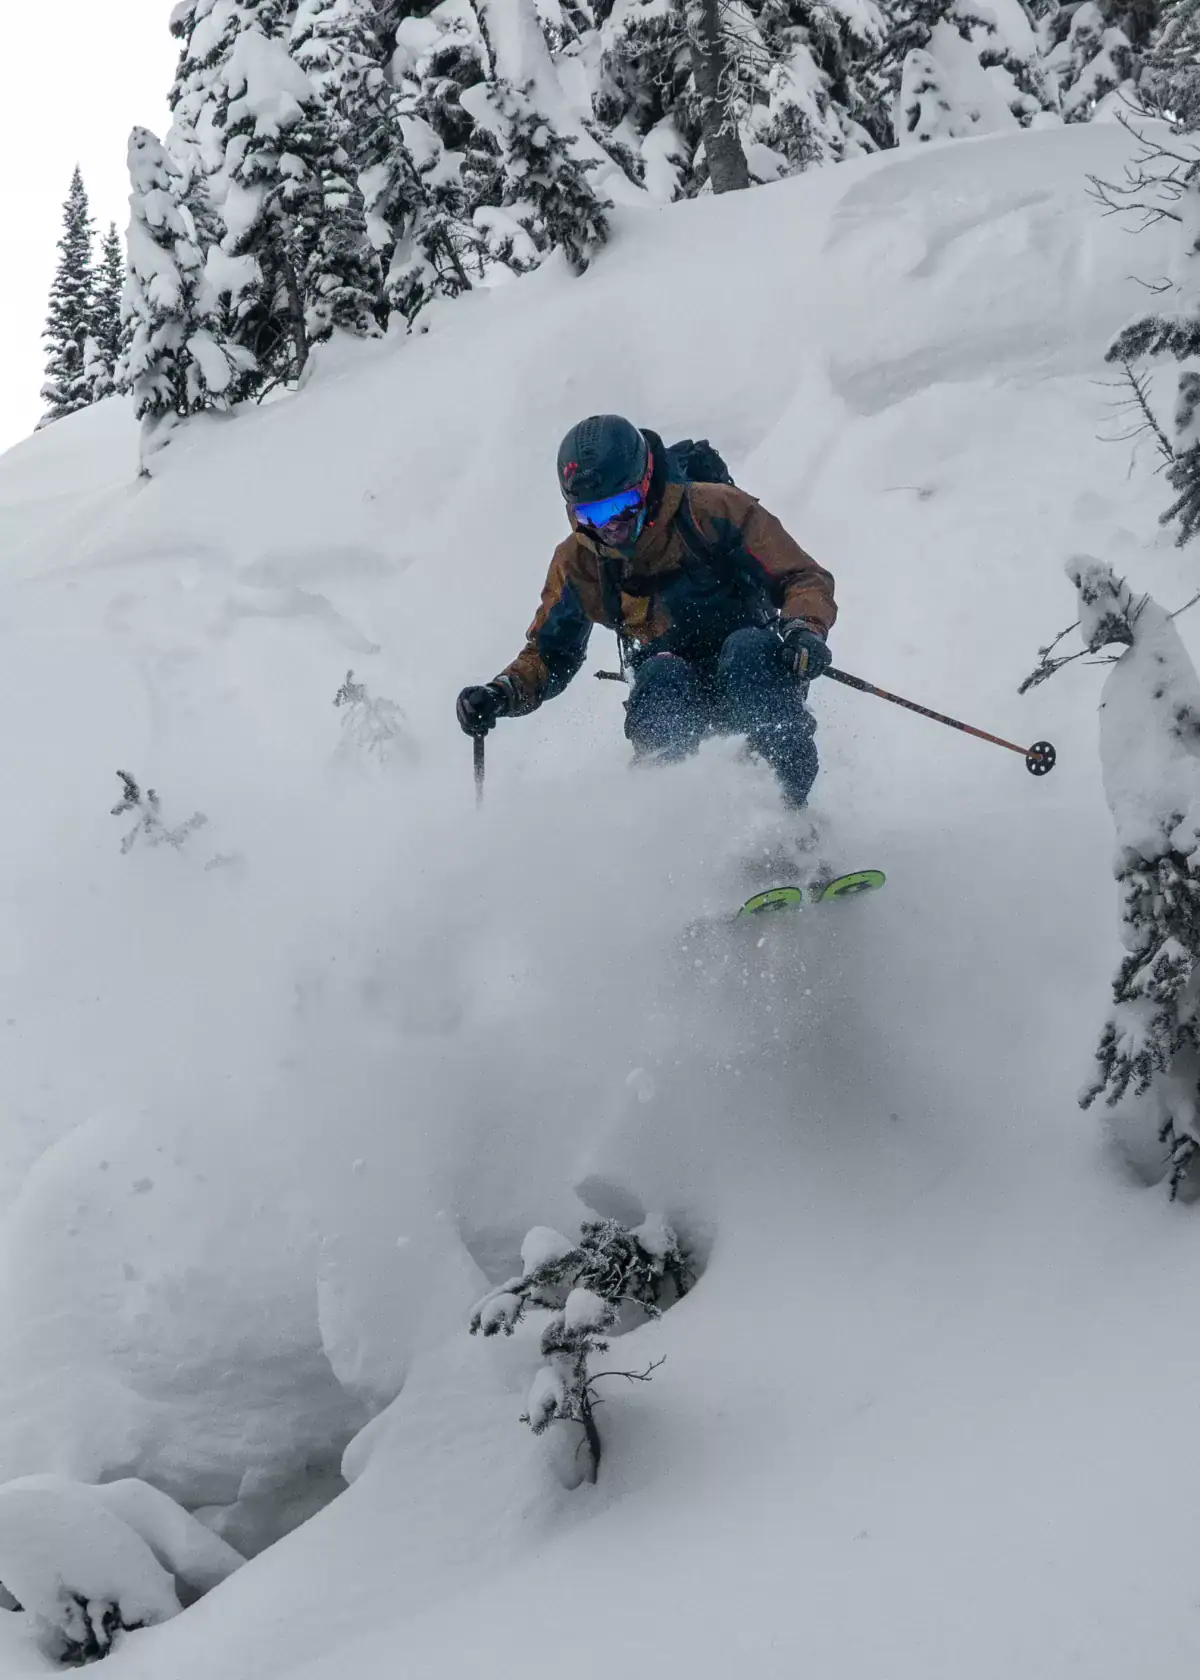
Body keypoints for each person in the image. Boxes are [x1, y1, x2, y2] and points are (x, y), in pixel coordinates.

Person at [456, 415, 837, 807]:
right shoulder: (578, 562)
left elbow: (802, 576)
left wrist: (804, 629)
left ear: (647, 480)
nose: (610, 527)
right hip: (671, 676)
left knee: (745, 654)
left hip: (751, 664)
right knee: (659, 677)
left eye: (621, 506)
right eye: (592, 515)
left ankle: (789, 820)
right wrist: (501, 693)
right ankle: (677, 833)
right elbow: (551, 653)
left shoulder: (713, 510)